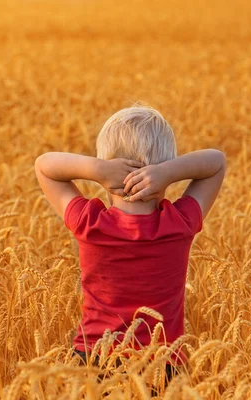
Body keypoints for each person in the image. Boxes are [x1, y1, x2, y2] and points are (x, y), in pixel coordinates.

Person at [34, 105, 226, 385]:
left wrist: (98, 169)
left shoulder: (89, 223)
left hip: (92, 362)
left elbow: (44, 166)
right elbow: (216, 162)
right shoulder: (179, 224)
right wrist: (167, 173)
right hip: (162, 366)